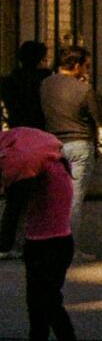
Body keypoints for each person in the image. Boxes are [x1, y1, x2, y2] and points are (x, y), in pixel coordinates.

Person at [1, 125, 80, 341]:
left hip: (51, 244)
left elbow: (12, 212)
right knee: (37, 300)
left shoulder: (34, 171)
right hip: (43, 242)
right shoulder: (52, 165)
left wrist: (3, 243)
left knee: (48, 300)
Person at [38, 46, 102, 253]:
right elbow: (101, 119)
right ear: (76, 66)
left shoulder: (45, 85)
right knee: (74, 201)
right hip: (80, 145)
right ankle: (70, 248)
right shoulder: (84, 89)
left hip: (53, 144)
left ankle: (48, 244)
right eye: (85, 66)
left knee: (53, 198)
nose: (86, 70)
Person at [0, 40, 47, 258]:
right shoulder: (44, 79)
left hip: (16, 137)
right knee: (42, 195)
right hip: (39, 138)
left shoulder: (8, 81)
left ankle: (5, 243)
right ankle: (35, 242)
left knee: (15, 198)